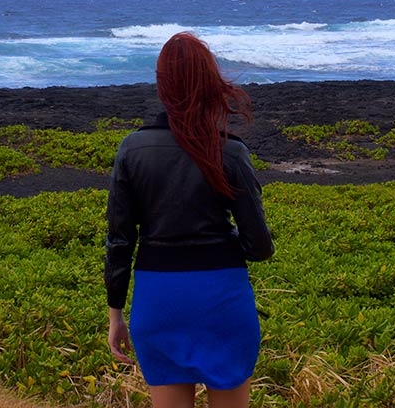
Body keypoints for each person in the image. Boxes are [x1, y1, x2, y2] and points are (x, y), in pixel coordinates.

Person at [105, 32, 275, 408]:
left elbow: (119, 239)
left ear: (162, 84)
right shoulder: (230, 151)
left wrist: (115, 312)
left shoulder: (132, 149)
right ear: (209, 83)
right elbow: (259, 247)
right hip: (222, 299)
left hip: (158, 299)